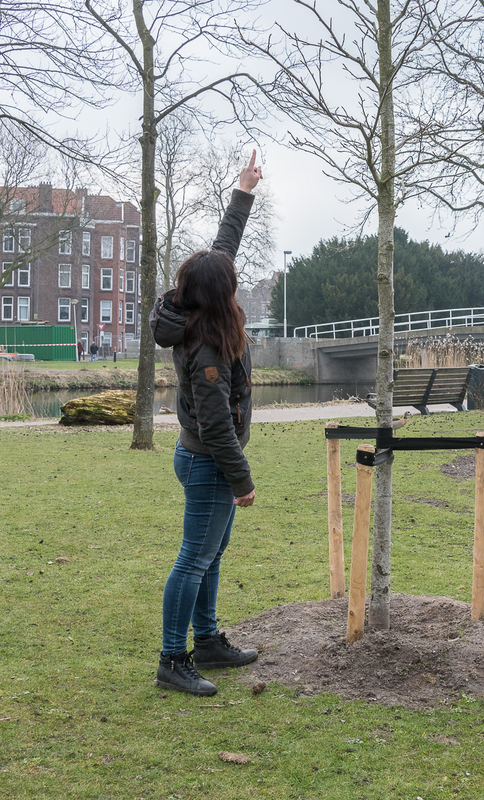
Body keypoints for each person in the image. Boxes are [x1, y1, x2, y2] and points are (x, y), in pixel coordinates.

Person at [150, 150, 263, 696]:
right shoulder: (206, 344)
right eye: (233, 285)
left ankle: (210, 642)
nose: (236, 285)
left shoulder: (195, 305)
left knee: (210, 554)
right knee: (193, 558)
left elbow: (223, 250)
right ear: (221, 296)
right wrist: (241, 481)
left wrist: (243, 192)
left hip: (202, 460)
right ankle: (174, 658)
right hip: (209, 463)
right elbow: (217, 425)